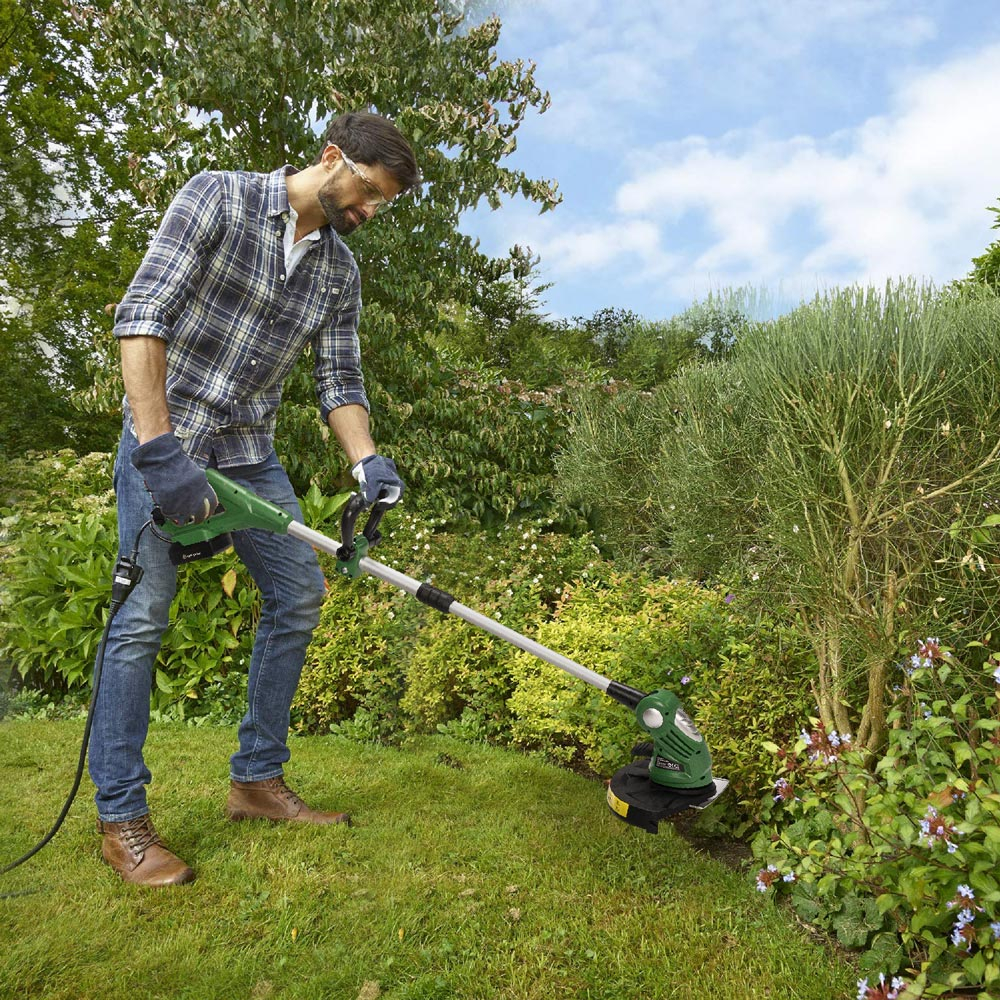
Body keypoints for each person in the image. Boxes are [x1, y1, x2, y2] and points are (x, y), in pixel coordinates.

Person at [90, 112, 420, 887]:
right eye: (368, 192)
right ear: (332, 158)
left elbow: (339, 381)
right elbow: (142, 318)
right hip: (164, 439)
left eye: (383, 204)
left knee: (299, 595)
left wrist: (367, 461)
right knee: (141, 619)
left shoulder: (340, 273)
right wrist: (158, 448)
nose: (369, 212)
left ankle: (256, 782)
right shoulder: (219, 198)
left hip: (250, 455)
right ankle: (121, 820)